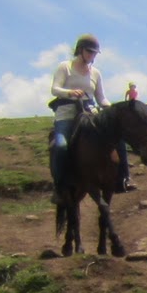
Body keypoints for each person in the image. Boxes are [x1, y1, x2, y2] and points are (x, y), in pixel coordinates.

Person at [48, 35, 110, 204]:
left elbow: (101, 98)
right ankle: (59, 186)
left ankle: (123, 177)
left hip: (90, 114)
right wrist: (70, 92)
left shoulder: (96, 73)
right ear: (80, 50)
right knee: (60, 146)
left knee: (114, 138)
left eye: (95, 53)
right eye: (89, 52)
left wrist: (111, 108)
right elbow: (55, 89)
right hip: (66, 115)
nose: (92, 56)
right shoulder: (65, 67)